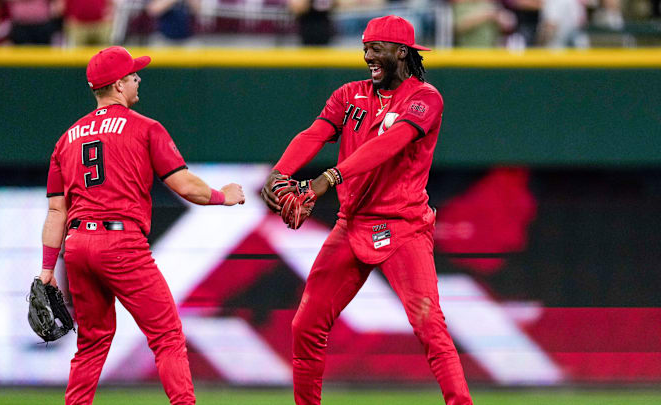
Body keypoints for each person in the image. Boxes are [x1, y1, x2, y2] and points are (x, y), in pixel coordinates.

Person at [261, 15, 473, 405]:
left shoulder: (426, 97)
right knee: (305, 326)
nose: (367, 56)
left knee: (429, 326)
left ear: (402, 52)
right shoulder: (349, 94)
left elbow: (388, 145)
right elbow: (314, 134)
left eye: (376, 49)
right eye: (365, 48)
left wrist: (328, 179)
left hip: (403, 227)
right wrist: (279, 173)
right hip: (352, 224)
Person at [38, 46, 245, 405]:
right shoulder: (145, 128)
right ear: (118, 85)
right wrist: (222, 195)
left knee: (92, 341)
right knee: (166, 335)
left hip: (77, 245)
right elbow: (185, 186)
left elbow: (57, 210)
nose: (138, 79)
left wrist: (46, 268)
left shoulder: (65, 139)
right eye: (133, 75)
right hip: (120, 244)